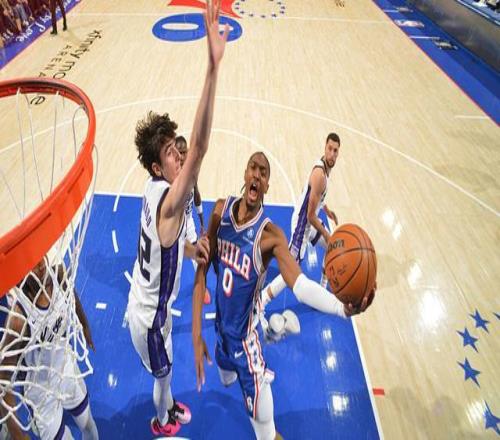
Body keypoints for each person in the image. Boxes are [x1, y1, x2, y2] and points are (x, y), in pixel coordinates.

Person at [192, 152, 375, 440]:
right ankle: (270, 328)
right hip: (221, 333)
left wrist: (342, 308)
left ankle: (264, 332)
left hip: (245, 344)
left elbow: (299, 285)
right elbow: (202, 268)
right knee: (226, 379)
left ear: (267, 185)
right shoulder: (219, 212)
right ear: (245, 174)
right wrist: (196, 333)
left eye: (263, 173)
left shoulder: (271, 236)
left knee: (265, 431)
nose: (257, 174)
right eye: (253, 168)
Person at [126, 1, 228, 437]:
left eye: (176, 148)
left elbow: (165, 242)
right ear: (157, 167)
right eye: (171, 153)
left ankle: (167, 407)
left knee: (165, 372)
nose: (180, 156)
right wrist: (212, 69)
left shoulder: (154, 191)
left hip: (151, 305)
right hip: (149, 318)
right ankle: (161, 420)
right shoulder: (169, 201)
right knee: (164, 376)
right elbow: (200, 148)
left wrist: (189, 249)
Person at [0, 257, 98, 440]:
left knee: (89, 426)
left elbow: (72, 294)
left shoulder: (57, 273)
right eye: (32, 263)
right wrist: (17, 433)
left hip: (66, 370)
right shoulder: (18, 319)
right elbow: (2, 381)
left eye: (40, 258)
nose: (40, 265)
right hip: (40, 393)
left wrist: (84, 324)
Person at [260, 133, 342, 335]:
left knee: (330, 248)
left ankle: (323, 286)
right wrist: (327, 234)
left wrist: (327, 210)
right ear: (325, 148)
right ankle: (261, 301)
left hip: (308, 222)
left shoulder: (325, 170)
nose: (332, 153)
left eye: (336, 150)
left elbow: (316, 197)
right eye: (330, 149)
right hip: (302, 226)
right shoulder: (320, 175)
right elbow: (311, 216)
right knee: (291, 270)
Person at [175, 135, 211, 305]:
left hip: (188, 221)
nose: (182, 156)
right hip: (174, 224)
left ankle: (201, 287)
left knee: (198, 254)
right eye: (179, 153)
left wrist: (202, 221)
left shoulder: (192, 172)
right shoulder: (172, 176)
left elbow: (196, 195)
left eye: (184, 152)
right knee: (174, 259)